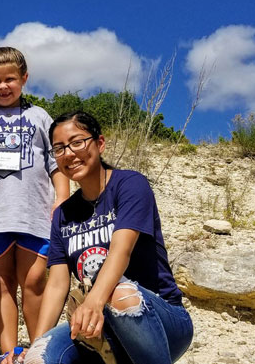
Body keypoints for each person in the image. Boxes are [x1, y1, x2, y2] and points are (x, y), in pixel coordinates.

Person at [14, 111, 192, 364]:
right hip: (100, 327)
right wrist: (36, 345)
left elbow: (121, 250)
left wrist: (94, 302)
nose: (69, 154)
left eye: (77, 142)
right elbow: (56, 285)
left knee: (120, 295)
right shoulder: (63, 215)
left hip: (161, 318)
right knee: (37, 360)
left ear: (99, 143)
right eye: (59, 148)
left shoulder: (130, 184)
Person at [0, 47, 70, 355]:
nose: (3, 86)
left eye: (10, 79)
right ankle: (9, 354)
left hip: (34, 216)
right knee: (1, 286)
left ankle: (41, 351)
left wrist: (62, 197)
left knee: (35, 283)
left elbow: (58, 162)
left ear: (24, 79)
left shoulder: (39, 116)